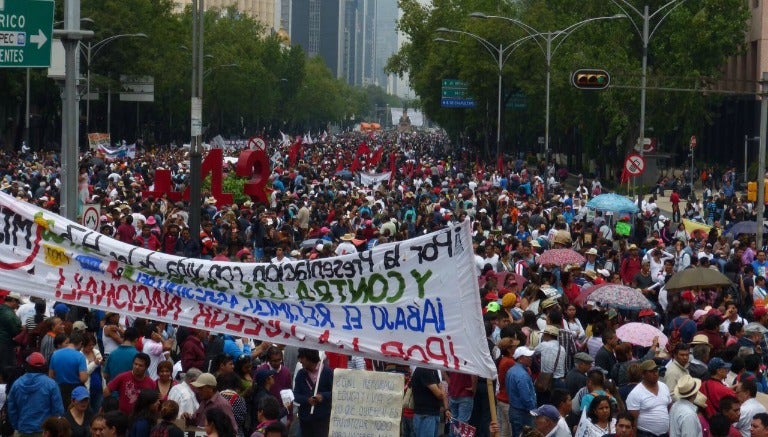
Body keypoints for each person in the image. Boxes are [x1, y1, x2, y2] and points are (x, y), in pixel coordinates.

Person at [8, 352, 65, 435]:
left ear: (27, 365)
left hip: (23, 429)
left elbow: (11, 409)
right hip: (45, 432)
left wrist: (17, 426)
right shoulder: (51, 384)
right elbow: (58, 410)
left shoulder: (17, 384)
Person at [626, 360, 672, 437]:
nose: (655, 373)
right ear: (643, 374)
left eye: (656, 370)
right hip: (645, 434)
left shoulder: (664, 387)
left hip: (664, 434)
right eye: (651, 371)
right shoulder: (636, 393)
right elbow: (633, 420)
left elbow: (669, 408)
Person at [293, 348, 333, 437]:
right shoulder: (301, 374)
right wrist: (307, 400)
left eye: (302, 358)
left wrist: (323, 396)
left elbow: (335, 393)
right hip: (305, 421)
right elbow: (295, 395)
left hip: (322, 421)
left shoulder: (328, 372)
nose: (300, 361)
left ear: (309, 358)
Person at [49, 331, 89, 406]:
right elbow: (83, 378)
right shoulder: (80, 356)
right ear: (80, 343)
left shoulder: (55, 354)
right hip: (76, 390)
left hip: (60, 389)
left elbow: (51, 375)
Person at [508, 346, 537, 437]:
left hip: (514, 410)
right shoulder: (522, 375)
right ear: (520, 358)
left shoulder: (511, 370)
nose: (531, 359)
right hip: (523, 413)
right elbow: (526, 397)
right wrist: (533, 410)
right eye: (528, 357)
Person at [0, 292, 22, 369]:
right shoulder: (10, 315)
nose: (18, 305)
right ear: (13, 300)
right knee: (7, 367)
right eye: (18, 302)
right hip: (6, 344)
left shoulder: (2, 308)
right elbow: (16, 331)